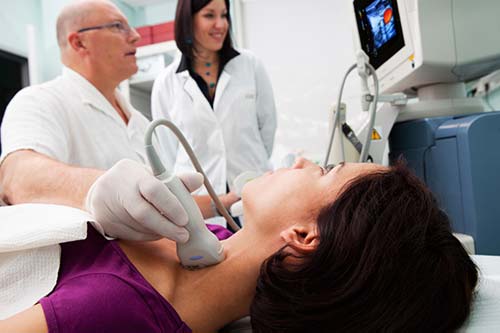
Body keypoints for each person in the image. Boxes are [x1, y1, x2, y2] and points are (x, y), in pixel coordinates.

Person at [0, 159, 478, 332]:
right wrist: (90, 188)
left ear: (305, 237)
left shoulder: (115, 310)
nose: (302, 159)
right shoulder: (214, 241)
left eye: (325, 171)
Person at [0, 0, 236, 242]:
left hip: (157, 264)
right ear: (79, 42)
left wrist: (227, 202)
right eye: (118, 26)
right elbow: (18, 179)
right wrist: (99, 190)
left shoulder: (139, 122)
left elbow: (159, 201)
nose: (135, 36)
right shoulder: (40, 101)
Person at [151, 0, 277, 208]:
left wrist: (252, 162)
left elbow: (267, 127)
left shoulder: (250, 65)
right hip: (202, 199)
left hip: (252, 187)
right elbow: (168, 149)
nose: (220, 24)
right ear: (188, 21)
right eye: (209, 15)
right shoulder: (167, 82)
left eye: (224, 15)